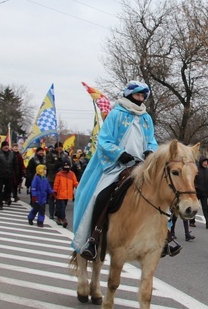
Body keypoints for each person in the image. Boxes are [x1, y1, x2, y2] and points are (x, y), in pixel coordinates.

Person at [72, 81, 163, 261]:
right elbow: (104, 141)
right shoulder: (115, 114)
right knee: (101, 196)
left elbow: (151, 139)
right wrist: (120, 154)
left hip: (141, 165)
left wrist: (151, 151)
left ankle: (164, 236)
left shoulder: (146, 118)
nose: (141, 98)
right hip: (117, 165)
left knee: (161, 194)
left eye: (143, 96)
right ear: (130, 95)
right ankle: (93, 238)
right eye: (138, 95)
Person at [0, 141, 17, 210]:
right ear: (2, 147)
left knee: (8, 189)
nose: (6, 147)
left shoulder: (12, 154)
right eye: (5, 145)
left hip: (9, 175)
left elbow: (15, 164)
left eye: (7, 145)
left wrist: (16, 173)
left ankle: (6, 198)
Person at [53, 160, 79, 228]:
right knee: (62, 207)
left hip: (67, 194)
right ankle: (63, 219)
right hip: (60, 194)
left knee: (62, 207)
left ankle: (59, 218)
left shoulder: (72, 174)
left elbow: (75, 183)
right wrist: (54, 191)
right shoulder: (59, 174)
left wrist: (80, 188)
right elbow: (56, 184)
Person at [194, 156, 208, 228]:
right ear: (201, 162)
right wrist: (196, 187)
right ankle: (192, 221)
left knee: (205, 207)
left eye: (206, 162)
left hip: (205, 193)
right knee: (195, 207)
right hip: (197, 192)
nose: (205, 163)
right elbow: (193, 180)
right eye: (204, 162)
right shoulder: (196, 170)